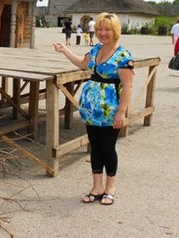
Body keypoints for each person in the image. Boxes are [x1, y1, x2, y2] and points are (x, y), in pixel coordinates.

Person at [53, 12, 133, 206]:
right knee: (95, 147)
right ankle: (97, 187)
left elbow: (128, 86)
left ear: (115, 31)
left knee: (108, 148)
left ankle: (110, 187)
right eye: (99, 29)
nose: (102, 33)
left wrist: (121, 113)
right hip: (90, 110)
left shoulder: (123, 56)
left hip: (110, 111)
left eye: (107, 29)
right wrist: (65, 50)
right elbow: (82, 64)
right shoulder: (96, 49)